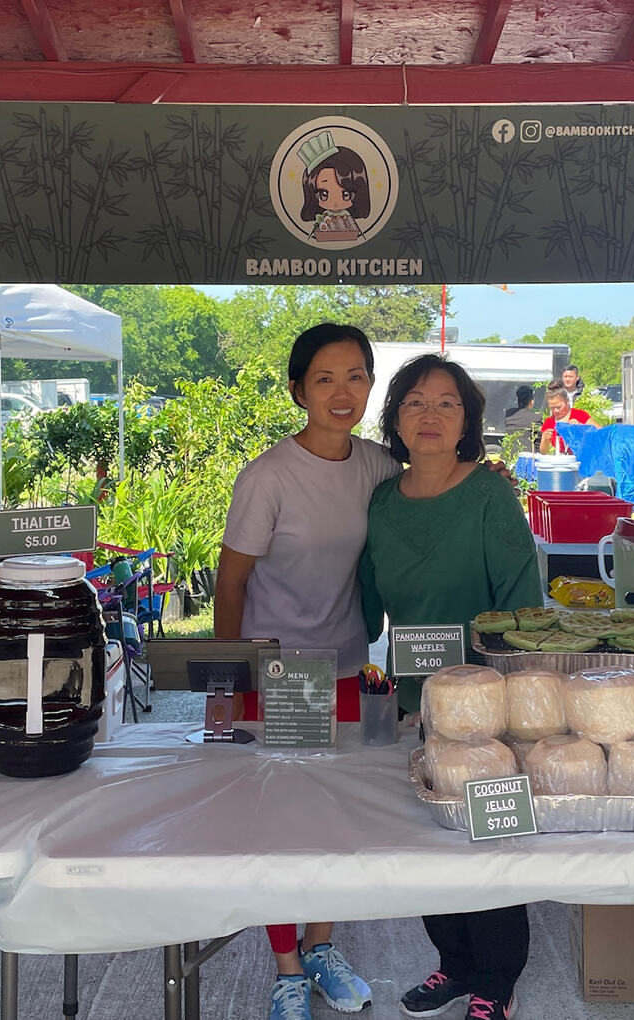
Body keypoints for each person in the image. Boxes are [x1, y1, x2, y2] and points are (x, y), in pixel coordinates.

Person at [214, 323, 391, 1020]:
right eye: (324, 378)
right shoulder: (268, 476)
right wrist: (229, 682)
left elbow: (432, 499)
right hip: (282, 672)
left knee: (338, 815)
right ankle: (287, 967)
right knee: (282, 821)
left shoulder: (377, 466)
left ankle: (321, 945)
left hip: (346, 662)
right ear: (297, 391)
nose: (342, 392)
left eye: (356, 376)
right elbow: (231, 584)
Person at [359, 354, 542, 1020]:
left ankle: (497, 981)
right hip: (419, 704)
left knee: (490, 841)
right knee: (432, 840)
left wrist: (515, 695)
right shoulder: (382, 503)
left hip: (491, 705)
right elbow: (366, 602)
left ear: (467, 420)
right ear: (396, 419)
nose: (430, 415)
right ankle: (455, 965)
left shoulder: (489, 493)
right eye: (414, 401)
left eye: (446, 403)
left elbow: (522, 602)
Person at [538, 380, 592, 454]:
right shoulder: (549, 422)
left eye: (559, 407)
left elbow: (600, 433)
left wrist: (582, 427)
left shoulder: (579, 415)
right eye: (552, 408)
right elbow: (543, 452)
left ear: (567, 401)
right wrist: (545, 440)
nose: (556, 411)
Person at [502, 384, 542, 452]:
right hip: (527, 454)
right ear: (531, 401)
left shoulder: (509, 413)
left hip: (509, 452)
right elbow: (539, 443)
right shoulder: (536, 418)